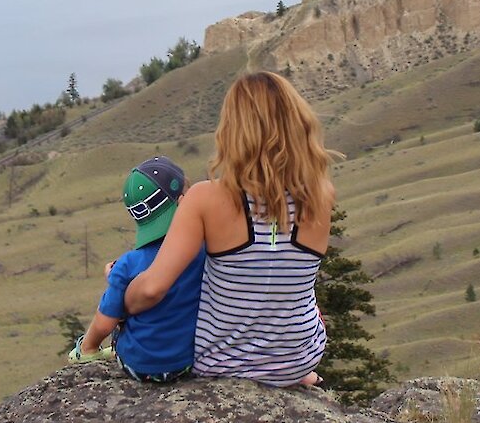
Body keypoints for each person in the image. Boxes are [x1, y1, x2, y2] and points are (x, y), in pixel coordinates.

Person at [125, 71, 341, 387]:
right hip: (298, 358)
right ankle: (289, 371)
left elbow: (152, 289)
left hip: (221, 363)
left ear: (233, 130)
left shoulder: (205, 197)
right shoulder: (321, 195)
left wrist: (123, 303)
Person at [69, 156, 206, 382]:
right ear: (182, 202)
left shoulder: (126, 265)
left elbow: (105, 322)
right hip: (187, 362)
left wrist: (89, 347)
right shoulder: (201, 249)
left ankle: (89, 353)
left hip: (138, 366)